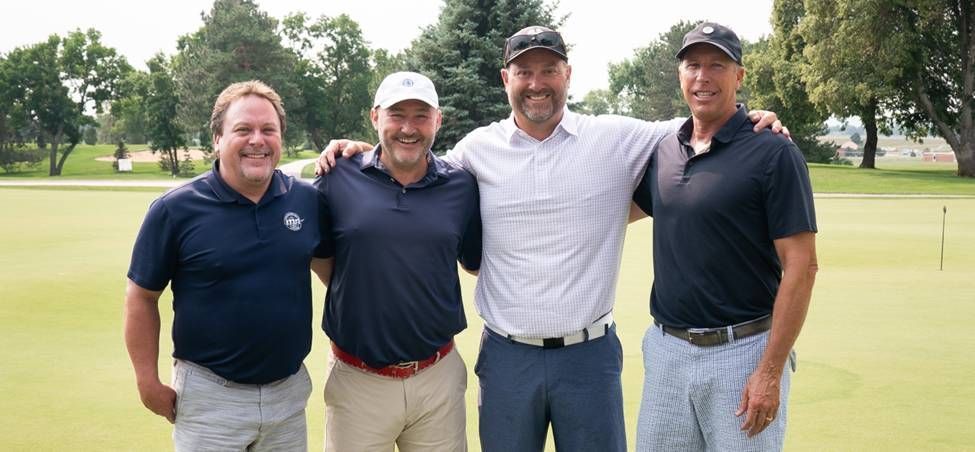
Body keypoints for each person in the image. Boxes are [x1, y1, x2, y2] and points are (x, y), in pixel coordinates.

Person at [316, 26, 786, 452]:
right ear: (506, 79)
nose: (536, 83)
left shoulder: (616, 138)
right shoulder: (475, 151)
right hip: (507, 358)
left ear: (568, 75)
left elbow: (702, 123)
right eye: (524, 72)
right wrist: (361, 150)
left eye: (549, 70)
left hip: (590, 357)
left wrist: (754, 118)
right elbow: (414, 162)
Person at [631, 22, 818, 451]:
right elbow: (610, 215)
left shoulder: (773, 152)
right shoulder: (665, 150)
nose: (703, 76)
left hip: (743, 354)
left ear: (739, 76)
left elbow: (802, 266)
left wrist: (769, 371)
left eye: (717, 65)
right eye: (693, 65)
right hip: (667, 353)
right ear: (680, 74)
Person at [124, 80, 325, 451]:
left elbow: (333, 271)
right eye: (243, 129)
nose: (257, 140)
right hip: (209, 398)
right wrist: (146, 380)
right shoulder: (175, 209)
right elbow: (141, 296)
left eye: (268, 130)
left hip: (288, 397)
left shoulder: (307, 200)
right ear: (217, 139)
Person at [313, 71, 481, 451]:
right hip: (358, 380)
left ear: (438, 120)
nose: (408, 128)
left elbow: (473, 262)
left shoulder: (461, 186)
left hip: (438, 379)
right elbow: (324, 261)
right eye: (396, 115)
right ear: (375, 117)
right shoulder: (336, 177)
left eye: (421, 116)